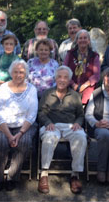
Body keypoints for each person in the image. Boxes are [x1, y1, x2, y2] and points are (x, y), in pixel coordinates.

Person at [37, 66, 87, 194]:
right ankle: (44, 173)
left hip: (70, 126)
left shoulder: (75, 95)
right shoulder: (48, 93)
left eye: (65, 77)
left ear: (70, 80)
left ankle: (75, 174)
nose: (62, 80)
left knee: (81, 136)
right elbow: (41, 112)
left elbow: (81, 115)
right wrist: (48, 122)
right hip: (52, 125)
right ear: (55, 78)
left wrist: (77, 123)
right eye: (59, 77)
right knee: (49, 137)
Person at [0, 59, 38, 192]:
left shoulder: (32, 89)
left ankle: (12, 176)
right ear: (11, 73)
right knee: (1, 142)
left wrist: (20, 133)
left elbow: (32, 114)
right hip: (2, 125)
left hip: (24, 126)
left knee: (24, 142)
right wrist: (9, 135)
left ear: (26, 74)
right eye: (16, 72)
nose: (18, 75)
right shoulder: (3, 88)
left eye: (22, 72)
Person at [64, 29, 100, 105]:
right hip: (70, 89)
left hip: (88, 90)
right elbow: (64, 71)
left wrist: (84, 86)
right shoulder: (70, 54)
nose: (82, 40)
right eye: (80, 38)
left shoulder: (94, 56)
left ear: (89, 41)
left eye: (85, 38)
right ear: (77, 41)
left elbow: (96, 76)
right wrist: (73, 84)